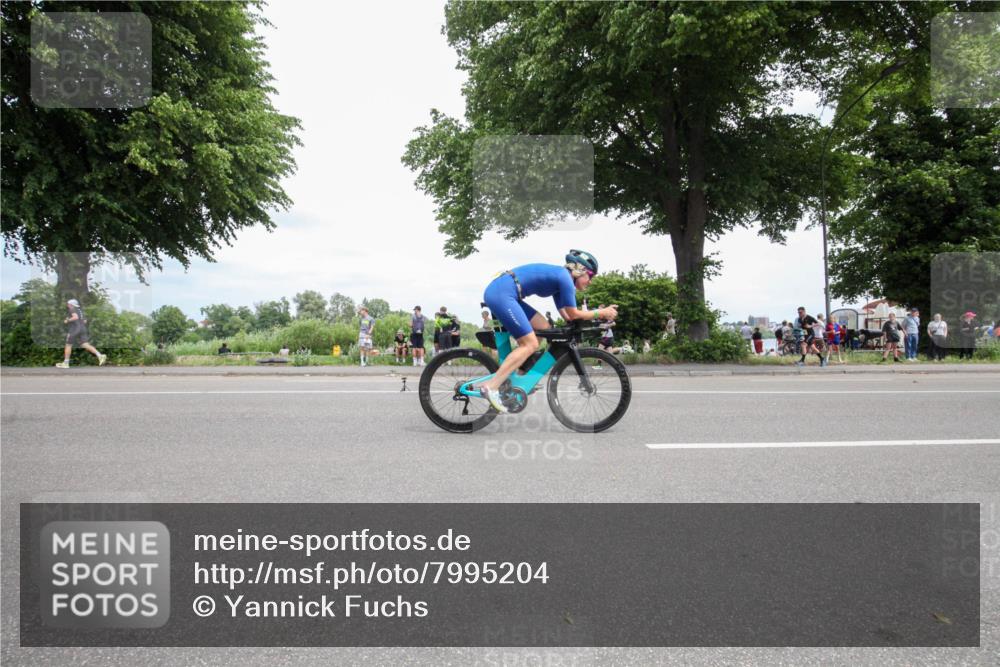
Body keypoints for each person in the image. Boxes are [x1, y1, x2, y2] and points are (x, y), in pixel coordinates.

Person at [477, 249, 616, 412]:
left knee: (544, 327)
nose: (590, 281)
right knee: (530, 344)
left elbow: (569, 316)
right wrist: (602, 312)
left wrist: (596, 319)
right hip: (502, 293)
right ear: (580, 270)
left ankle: (520, 377)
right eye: (590, 276)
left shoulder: (562, 281)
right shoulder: (565, 278)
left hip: (506, 292)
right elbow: (573, 313)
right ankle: (491, 387)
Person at [55, 299, 107, 368]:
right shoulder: (80, 311)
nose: (67, 305)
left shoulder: (72, 309)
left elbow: (75, 317)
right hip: (82, 329)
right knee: (85, 344)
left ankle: (66, 363)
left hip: (74, 329)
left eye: (68, 304)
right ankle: (100, 355)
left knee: (68, 345)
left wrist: (67, 320)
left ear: (71, 305)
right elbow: (85, 321)